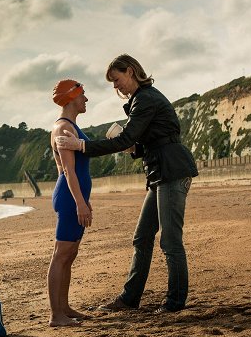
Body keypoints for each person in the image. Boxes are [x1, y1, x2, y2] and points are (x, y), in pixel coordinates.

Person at [55, 55, 198, 313]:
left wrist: (81, 145)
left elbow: (130, 140)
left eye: (117, 80)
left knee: (170, 240)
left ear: (130, 72)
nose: (115, 87)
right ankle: (129, 299)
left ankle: (175, 302)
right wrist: (134, 146)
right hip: (158, 173)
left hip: (172, 171)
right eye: (112, 83)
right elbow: (147, 140)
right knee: (142, 238)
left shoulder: (146, 99)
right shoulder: (140, 100)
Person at [47, 79, 93, 327]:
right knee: (61, 254)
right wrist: (80, 203)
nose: (86, 99)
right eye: (82, 94)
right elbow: (68, 171)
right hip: (68, 197)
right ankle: (56, 315)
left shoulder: (71, 127)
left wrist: (85, 200)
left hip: (74, 197)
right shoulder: (63, 128)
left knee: (70, 253)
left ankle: (64, 307)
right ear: (71, 97)